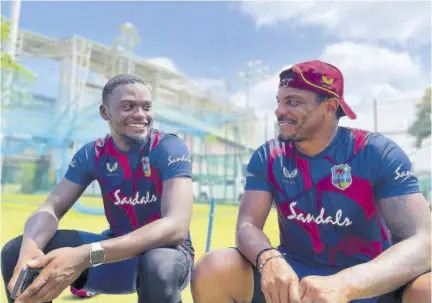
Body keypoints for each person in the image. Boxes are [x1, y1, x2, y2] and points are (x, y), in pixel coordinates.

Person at [191, 60, 431, 303]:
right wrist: (269, 258)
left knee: (428, 288)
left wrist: (345, 285)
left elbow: (424, 242)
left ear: (329, 107)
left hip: (368, 281)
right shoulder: (270, 155)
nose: (279, 111)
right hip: (294, 281)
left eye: (292, 102)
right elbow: (247, 225)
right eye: (279, 101)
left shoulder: (376, 152)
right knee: (215, 267)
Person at [1, 74, 195, 303]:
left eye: (146, 106)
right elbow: (51, 207)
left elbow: (176, 227)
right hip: (115, 259)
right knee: (15, 253)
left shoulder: (169, 147)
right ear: (105, 112)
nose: (140, 114)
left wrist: (85, 255)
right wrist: (29, 249)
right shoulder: (92, 154)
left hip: (167, 259)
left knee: (158, 264)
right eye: (128, 106)